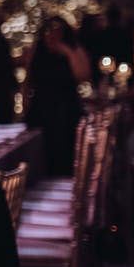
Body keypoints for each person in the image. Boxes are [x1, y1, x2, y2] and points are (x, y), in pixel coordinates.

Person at [23, 15, 92, 174]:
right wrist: (25, 105)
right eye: (49, 31)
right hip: (40, 109)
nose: (52, 35)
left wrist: (67, 52)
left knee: (63, 155)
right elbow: (28, 81)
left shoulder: (73, 49)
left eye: (57, 31)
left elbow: (83, 75)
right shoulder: (37, 50)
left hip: (66, 111)